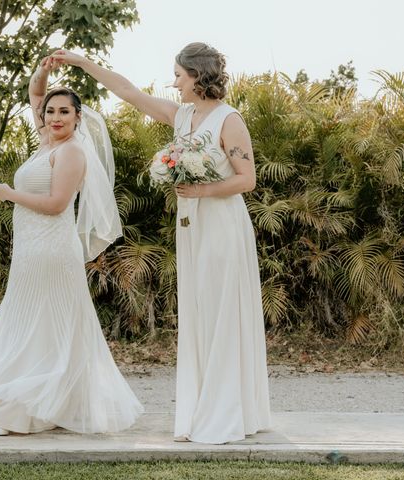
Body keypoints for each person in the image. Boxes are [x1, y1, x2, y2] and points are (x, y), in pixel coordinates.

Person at [52, 42, 271, 444]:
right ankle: (202, 406)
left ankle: (225, 413)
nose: (174, 84)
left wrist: (202, 191)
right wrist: (83, 62)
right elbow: (128, 92)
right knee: (199, 311)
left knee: (220, 311)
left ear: (198, 77)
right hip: (191, 225)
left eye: (178, 76)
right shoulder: (181, 115)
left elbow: (247, 179)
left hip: (221, 224)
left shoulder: (229, 119)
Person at [0, 56, 143, 436]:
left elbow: (57, 204)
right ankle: (48, 402)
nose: (55, 117)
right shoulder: (47, 140)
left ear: (79, 117)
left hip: (52, 249)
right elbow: (35, 91)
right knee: (35, 322)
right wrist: (46, 67)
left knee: (41, 323)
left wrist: (8, 193)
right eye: (50, 111)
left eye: (65, 111)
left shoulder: (72, 151)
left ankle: (25, 411)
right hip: (30, 249)